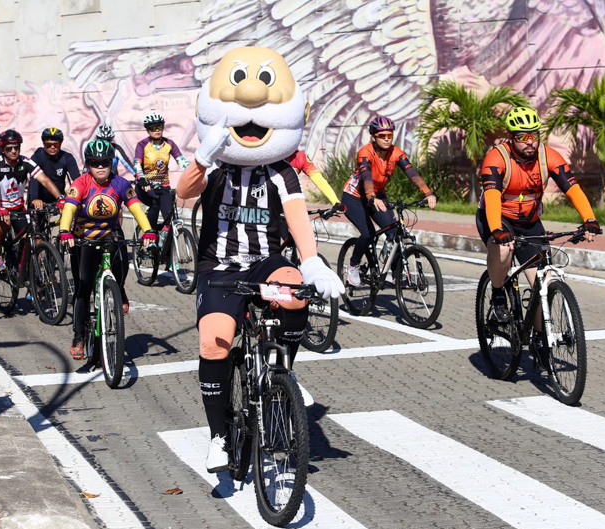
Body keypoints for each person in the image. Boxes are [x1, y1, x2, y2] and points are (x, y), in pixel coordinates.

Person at [176, 46, 344, 472]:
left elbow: (297, 217)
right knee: (214, 342)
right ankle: (218, 437)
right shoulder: (216, 165)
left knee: (296, 291)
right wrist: (201, 157)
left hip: (265, 261)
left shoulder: (281, 171)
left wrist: (311, 261)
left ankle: (284, 369)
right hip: (219, 266)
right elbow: (183, 193)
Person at [476, 106, 600, 359]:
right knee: (504, 250)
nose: (530, 141)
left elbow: (572, 188)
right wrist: (497, 229)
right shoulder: (496, 159)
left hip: (530, 222)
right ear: (511, 138)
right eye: (523, 136)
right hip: (498, 218)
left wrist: (589, 219)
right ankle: (498, 294)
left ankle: (540, 338)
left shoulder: (548, 157)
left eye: (534, 135)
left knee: (545, 281)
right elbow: (492, 197)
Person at [59, 140, 156, 359]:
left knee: (121, 269)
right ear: (88, 164)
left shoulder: (120, 183)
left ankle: (118, 288)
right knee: (83, 288)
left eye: (105, 162)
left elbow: (136, 208)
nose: (100, 166)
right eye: (95, 163)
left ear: (111, 162)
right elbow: (69, 207)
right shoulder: (81, 183)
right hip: (84, 239)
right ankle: (78, 337)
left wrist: (148, 230)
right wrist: (64, 230)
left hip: (111, 235)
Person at [341, 116, 437, 285]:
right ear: (373, 137)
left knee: (394, 232)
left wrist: (428, 193)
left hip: (377, 195)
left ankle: (395, 273)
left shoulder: (396, 152)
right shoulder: (365, 152)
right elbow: (367, 176)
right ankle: (353, 265)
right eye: (382, 136)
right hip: (354, 197)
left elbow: (411, 172)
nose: (386, 139)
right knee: (368, 233)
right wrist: (371, 197)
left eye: (389, 135)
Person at [0, 130, 65, 271]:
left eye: (16, 147)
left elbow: (45, 180)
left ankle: (28, 273)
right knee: (4, 225)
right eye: (9, 148)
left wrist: (60, 198)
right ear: (3, 149)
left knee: (31, 237)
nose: (13, 151)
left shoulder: (26, 162)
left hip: (17, 206)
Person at [133, 111, 189, 232]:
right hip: (145, 186)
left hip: (163, 186)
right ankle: (150, 234)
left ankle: (165, 238)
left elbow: (181, 161)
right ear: (148, 130)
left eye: (159, 127)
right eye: (153, 128)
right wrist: (142, 180)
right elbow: (136, 164)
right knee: (155, 203)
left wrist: (192, 173)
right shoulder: (142, 145)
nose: (157, 130)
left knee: (169, 217)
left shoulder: (169, 144)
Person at [29, 127, 81, 209]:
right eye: (48, 145)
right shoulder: (37, 157)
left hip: (59, 200)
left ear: (60, 144)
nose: (52, 147)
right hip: (39, 201)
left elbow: (78, 181)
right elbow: (34, 179)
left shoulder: (67, 158)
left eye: (56, 144)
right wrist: (34, 199)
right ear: (43, 144)